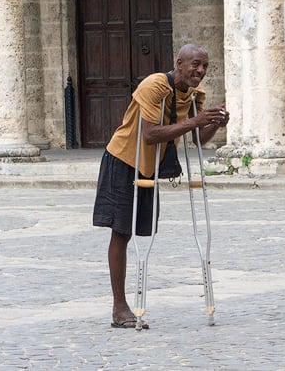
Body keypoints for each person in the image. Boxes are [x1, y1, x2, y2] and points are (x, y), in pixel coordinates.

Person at [92, 44, 229, 329]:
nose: (200, 71)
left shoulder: (195, 95)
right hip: (123, 159)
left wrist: (214, 123)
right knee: (122, 232)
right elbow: (151, 134)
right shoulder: (154, 85)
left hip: (149, 167)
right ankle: (119, 306)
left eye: (204, 66)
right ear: (179, 63)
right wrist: (195, 121)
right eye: (195, 65)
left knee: (140, 230)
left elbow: (198, 140)